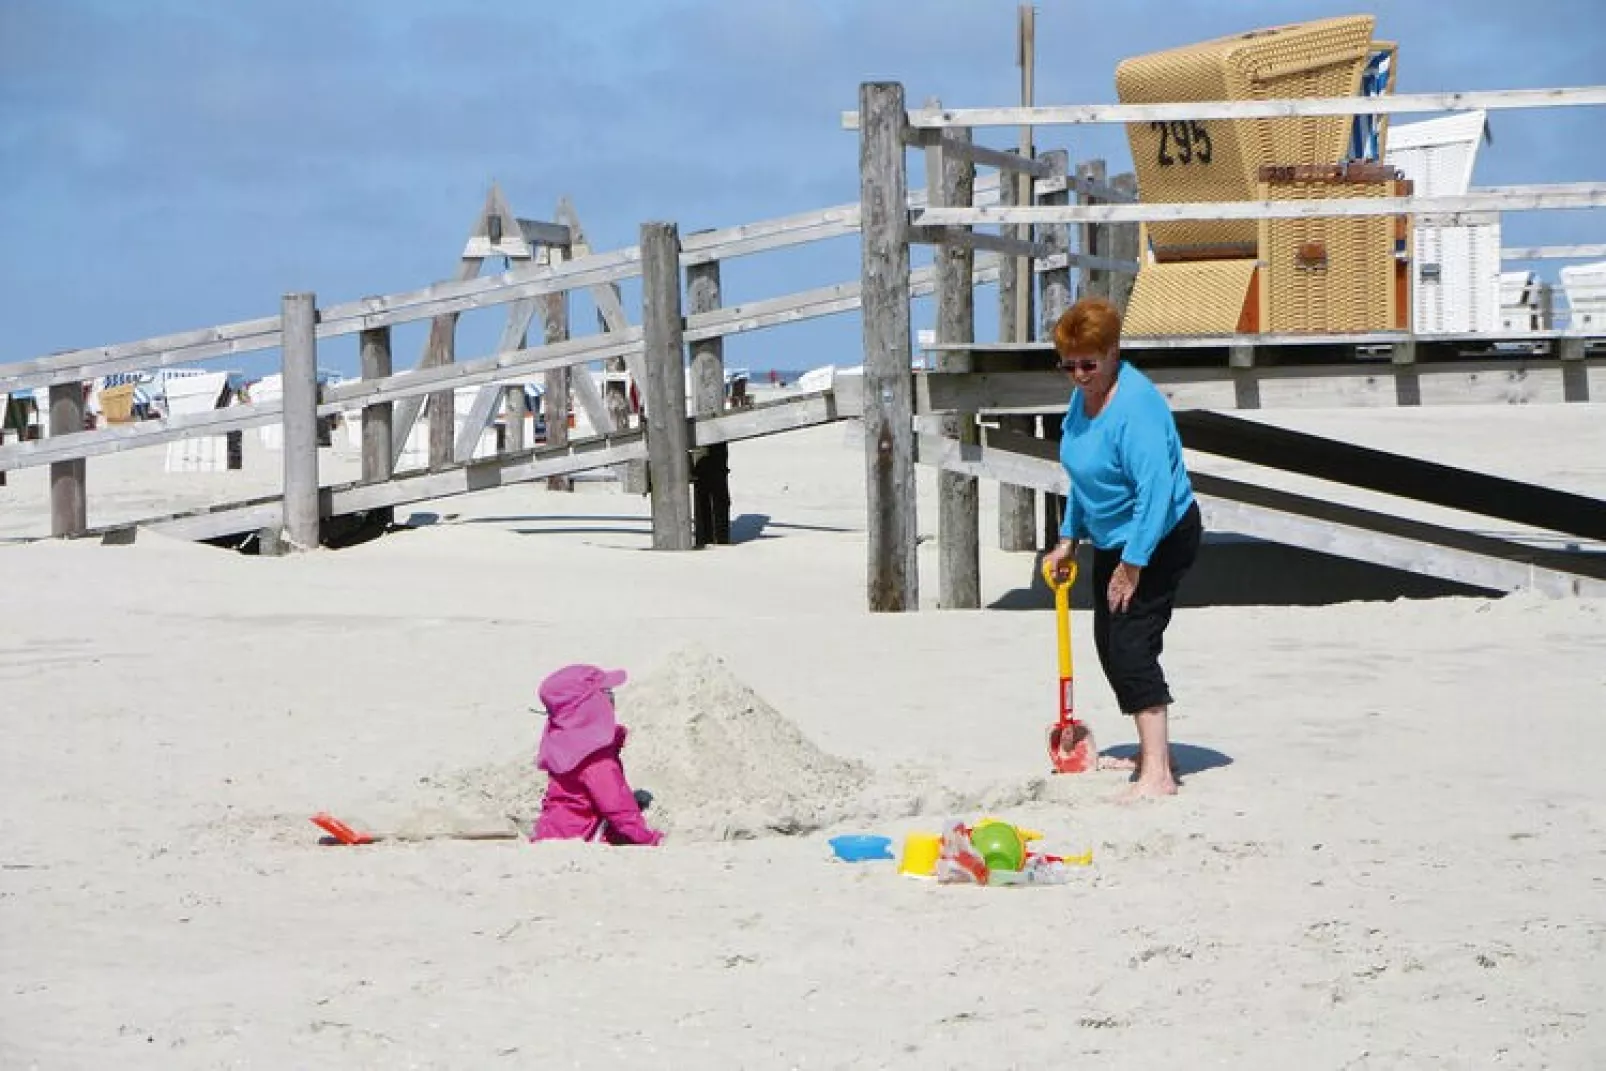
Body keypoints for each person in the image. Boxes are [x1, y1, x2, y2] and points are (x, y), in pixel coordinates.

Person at [1042, 297, 1203, 800]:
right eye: (1068, 364)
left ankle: (1159, 774)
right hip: (1115, 536)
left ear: (1113, 352)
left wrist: (1133, 565)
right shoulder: (1082, 398)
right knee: (1108, 643)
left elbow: (1154, 493)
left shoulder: (1137, 406)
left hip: (1160, 534)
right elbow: (1083, 477)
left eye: (1089, 363)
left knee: (1132, 642)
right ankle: (1153, 752)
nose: (1079, 374)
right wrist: (1068, 538)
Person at [531, 664, 664, 845]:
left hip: (551, 829)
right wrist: (649, 838)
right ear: (590, 707)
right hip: (577, 837)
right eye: (606, 693)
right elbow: (618, 807)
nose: (612, 698)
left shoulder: (564, 744)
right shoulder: (595, 760)